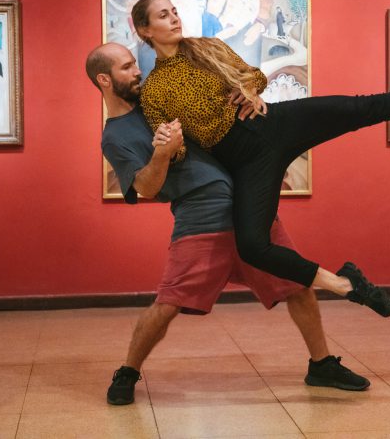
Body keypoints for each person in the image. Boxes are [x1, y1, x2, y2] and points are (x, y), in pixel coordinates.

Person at [131, 0, 390, 316]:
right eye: (163, 15)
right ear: (145, 30)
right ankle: (346, 284)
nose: (175, 18)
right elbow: (177, 153)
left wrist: (247, 90)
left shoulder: (207, 47)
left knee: (364, 107)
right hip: (247, 161)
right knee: (252, 247)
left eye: (175, 11)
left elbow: (255, 75)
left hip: (275, 124)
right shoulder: (154, 91)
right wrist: (168, 144)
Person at [86, 42, 371, 405]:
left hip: (248, 208)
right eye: (126, 67)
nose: (137, 71)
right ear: (104, 79)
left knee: (298, 286)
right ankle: (128, 371)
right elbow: (146, 187)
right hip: (200, 219)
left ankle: (322, 364)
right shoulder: (116, 136)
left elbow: (222, 106)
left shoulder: (158, 97)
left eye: (134, 63)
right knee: (169, 303)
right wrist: (162, 154)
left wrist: (247, 93)